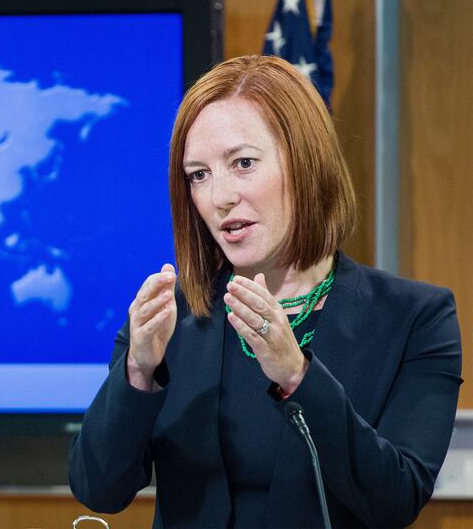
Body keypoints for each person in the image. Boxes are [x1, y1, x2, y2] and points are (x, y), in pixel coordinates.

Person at [68, 55, 463, 528]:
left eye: (243, 163)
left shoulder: (416, 318)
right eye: (199, 174)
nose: (220, 197)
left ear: (305, 163)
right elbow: (99, 489)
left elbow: (395, 499)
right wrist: (138, 371)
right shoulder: (171, 316)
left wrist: (298, 376)